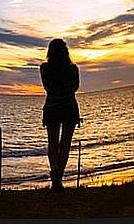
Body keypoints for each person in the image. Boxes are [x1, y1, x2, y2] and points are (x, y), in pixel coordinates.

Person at [40, 38, 80, 192]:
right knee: (65, 144)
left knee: (53, 144)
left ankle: (55, 177)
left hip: (52, 108)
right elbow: (75, 87)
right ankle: (58, 179)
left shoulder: (44, 68)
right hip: (69, 107)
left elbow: (46, 87)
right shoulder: (72, 69)